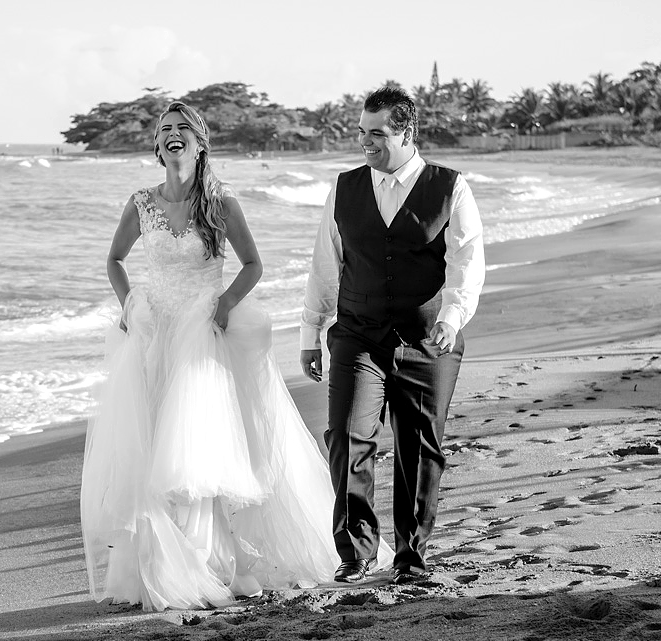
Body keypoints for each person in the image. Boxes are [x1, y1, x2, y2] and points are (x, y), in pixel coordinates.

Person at [80, 101, 390, 611]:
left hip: (203, 332)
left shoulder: (220, 202)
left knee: (198, 450)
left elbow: (252, 265)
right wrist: (128, 304)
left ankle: (219, 564)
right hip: (155, 332)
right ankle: (161, 567)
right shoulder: (140, 202)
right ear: (157, 146)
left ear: (201, 144)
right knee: (153, 446)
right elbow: (114, 260)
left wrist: (225, 303)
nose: (174, 135)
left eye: (184, 128)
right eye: (166, 130)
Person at [300, 87, 486, 586]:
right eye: (361, 132)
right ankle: (356, 551)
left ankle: (411, 556)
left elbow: (466, 261)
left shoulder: (451, 187)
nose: (365, 142)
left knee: (420, 448)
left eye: (376, 134)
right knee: (346, 435)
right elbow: (325, 265)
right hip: (357, 334)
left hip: (429, 340)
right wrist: (310, 329)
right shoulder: (345, 188)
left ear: (406, 133)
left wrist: (452, 318)